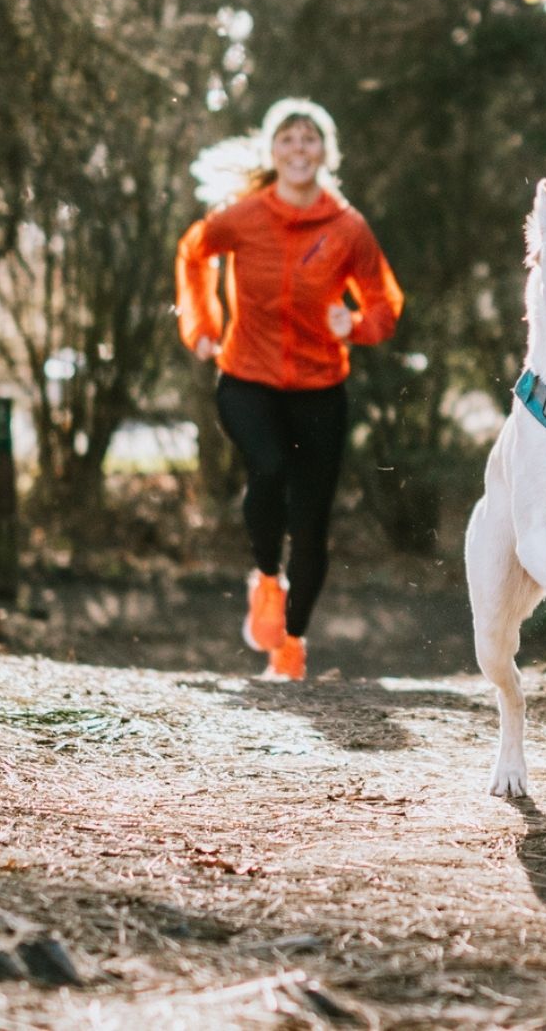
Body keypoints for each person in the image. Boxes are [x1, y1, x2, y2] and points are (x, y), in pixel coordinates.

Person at [175, 99, 404, 680]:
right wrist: (202, 329)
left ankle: (292, 643)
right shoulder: (242, 217)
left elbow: (385, 304)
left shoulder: (347, 228)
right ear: (271, 152)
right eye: (288, 139)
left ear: (324, 153)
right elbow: (193, 254)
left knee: (310, 524)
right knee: (269, 468)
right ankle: (266, 580)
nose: (299, 149)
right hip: (246, 377)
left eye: (309, 140)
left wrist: (353, 325)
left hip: (320, 388)